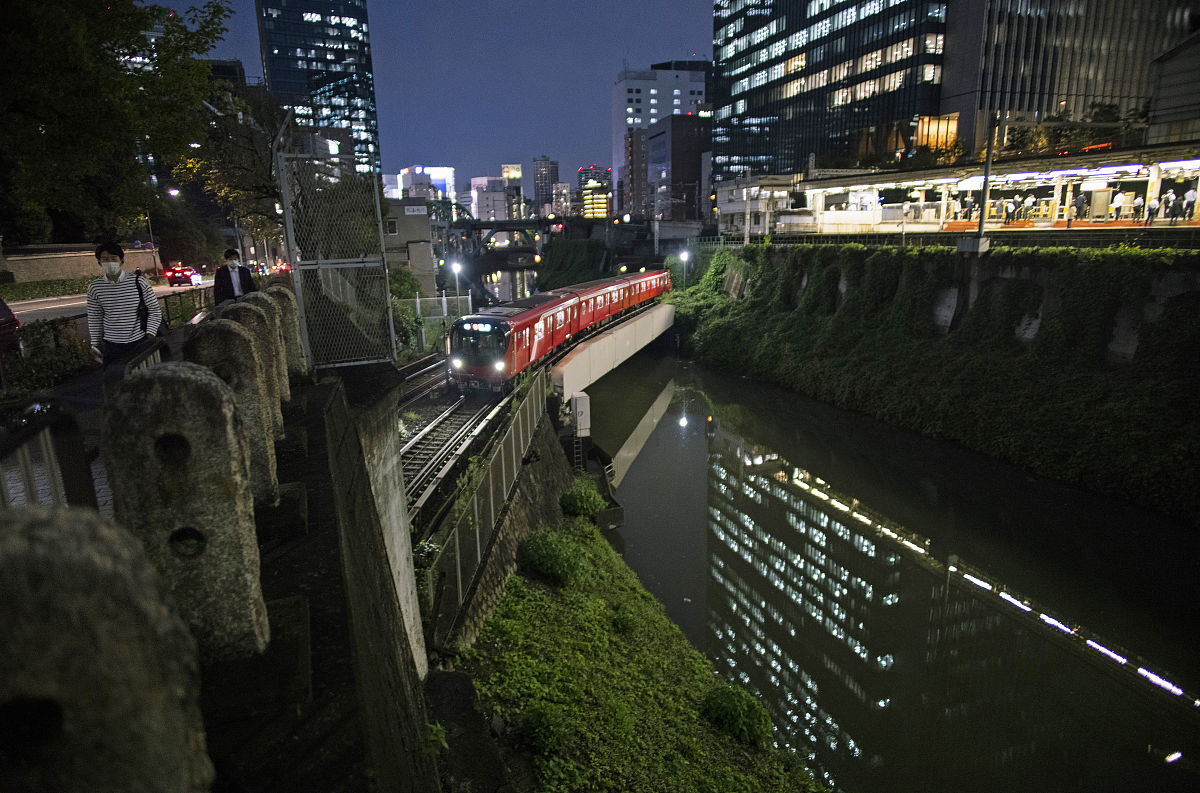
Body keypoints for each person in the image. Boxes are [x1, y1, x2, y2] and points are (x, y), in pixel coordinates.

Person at [87, 242, 161, 389]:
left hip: (139, 342)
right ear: (99, 262)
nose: (109, 262)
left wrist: (150, 334)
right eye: (105, 259)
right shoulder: (95, 288)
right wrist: (95, 344)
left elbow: (154, 310)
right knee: (114, 386)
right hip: (112, 346)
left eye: (113, 258)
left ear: (121, 260)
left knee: (143, 384)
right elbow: (95, 317)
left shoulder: (138, 282)